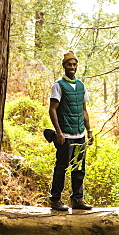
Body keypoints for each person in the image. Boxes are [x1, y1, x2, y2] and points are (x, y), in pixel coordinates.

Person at [47, 50, 94, 212]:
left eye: (74, 64)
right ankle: (55, 199)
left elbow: (84, 110)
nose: (72, 67)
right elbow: (52, 110)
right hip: (65, 135)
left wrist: (89, 131)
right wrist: (58, 132)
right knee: (61, 167)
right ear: (64, 66)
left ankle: (77, 199)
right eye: (69, 64)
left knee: (79, 168)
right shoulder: (58, 85)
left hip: (80, 134)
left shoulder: (81, 85)